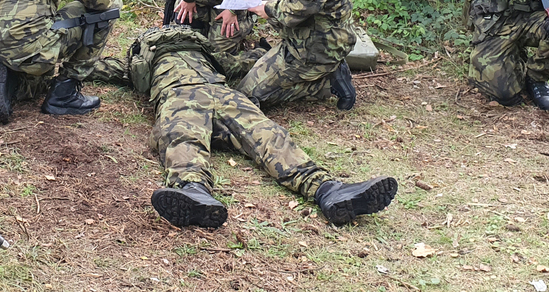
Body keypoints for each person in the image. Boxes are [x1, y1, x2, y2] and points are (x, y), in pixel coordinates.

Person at [89, 26, 398, 228]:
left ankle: (329, 191)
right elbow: (249, 61)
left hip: (193, 94)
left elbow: (99, 67)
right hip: (209, 94)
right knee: (249, 135)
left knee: (251, 134)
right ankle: (195, 192)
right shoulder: (190, 58)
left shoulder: (154, 60)